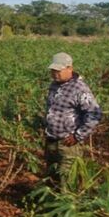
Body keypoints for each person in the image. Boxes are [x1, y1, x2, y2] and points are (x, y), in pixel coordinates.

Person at [44, 52, 102, 184]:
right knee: (51, 181)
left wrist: (78, 136)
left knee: (67, 182)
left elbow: (94, 113)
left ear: (70, 68)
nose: (54, 73)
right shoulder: (54, 85)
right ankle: (51, 204)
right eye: (53, 70)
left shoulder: (79, 88)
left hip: (68, 145)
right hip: (51, 142)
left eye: (58, 70)